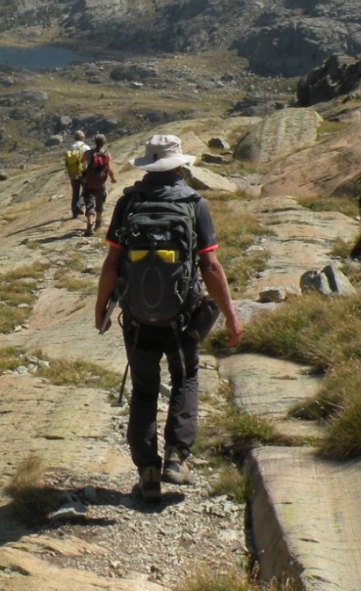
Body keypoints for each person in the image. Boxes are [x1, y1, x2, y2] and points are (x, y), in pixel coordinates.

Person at [93, 134, 242, 502]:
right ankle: (176, 459)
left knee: (144, 389)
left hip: (138, 316)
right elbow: (210, 266)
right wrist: (230, 316)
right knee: (186, 378)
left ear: (149, 165)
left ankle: (147, 473)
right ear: (179, 165)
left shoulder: (128, 203)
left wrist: (101, 309)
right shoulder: (194, 203)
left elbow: (113, 262)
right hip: (182, 316)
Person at [80, 134, 116, 235]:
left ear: (94, 142)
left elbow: (81, 162)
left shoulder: (88, 153)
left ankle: (89, 224)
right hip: (101, 182)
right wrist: (113, 179)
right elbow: (110, 170)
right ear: (104, 143)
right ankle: (98, 222)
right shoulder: (107, 154)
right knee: (100, 202)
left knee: (89, 201)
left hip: (89, 181)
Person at [63, 130, 89, 219]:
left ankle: (74, 213)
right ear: (82, 138)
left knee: (75, 192)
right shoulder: (86, 147)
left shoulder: (71, 147)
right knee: (87, 190)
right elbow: (89, 160)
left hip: (73, 172)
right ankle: (80, 205)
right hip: (84, 172)